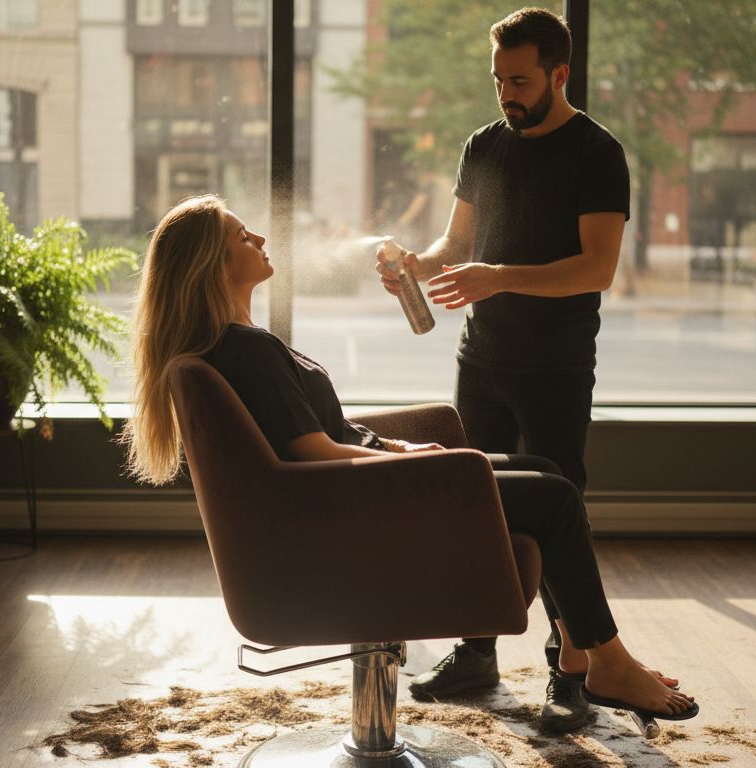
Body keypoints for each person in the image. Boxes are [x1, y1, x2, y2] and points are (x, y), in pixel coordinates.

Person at [123, 195, 698, 726]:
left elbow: (317, 438)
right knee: (556, 497)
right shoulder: (245, 349)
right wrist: (409, 463)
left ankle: (578, 654)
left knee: (545, 471)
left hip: (353, 496)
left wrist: (400, 449)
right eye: (243, 236)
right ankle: (607, 661)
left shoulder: (233, 344)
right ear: (212, 264)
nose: (261, 239)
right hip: (360, 506)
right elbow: (314, 451)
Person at [375, 8, 634, 730]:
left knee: (558, 512)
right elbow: (457, 246)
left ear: (559, 74)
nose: (506, 94)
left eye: (519, 81)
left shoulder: (597, 154)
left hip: (555, 367)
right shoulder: (484, 145)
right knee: (475, 504)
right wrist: (414, 266)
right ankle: (477, 652)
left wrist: (499, 278)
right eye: (498, 80)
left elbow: (597, 269)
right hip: (481, 359)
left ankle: (571, 672)